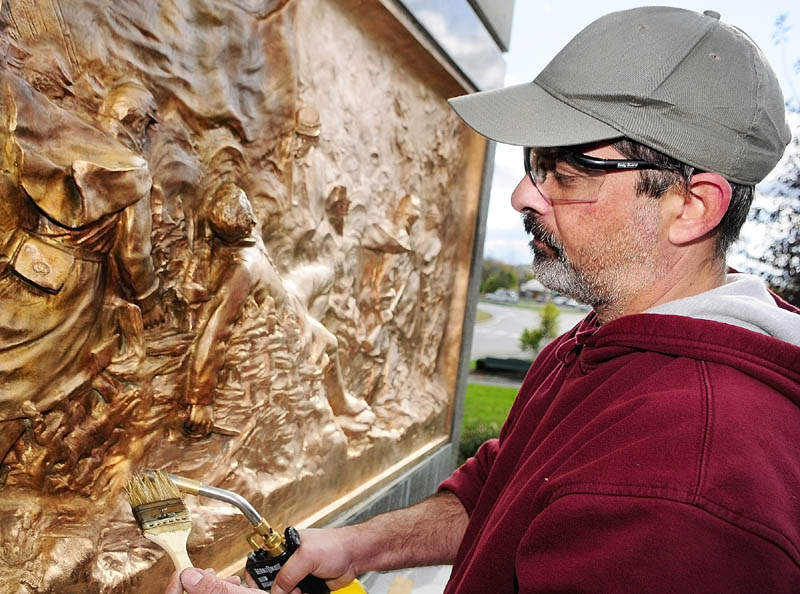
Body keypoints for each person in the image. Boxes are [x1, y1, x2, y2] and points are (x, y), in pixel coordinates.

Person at [163, 7, 800, 593]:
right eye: (532, 162)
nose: (523, 194)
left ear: (691, 206)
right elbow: (498, 494)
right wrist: (357, 545)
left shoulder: (689, 488)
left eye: (567, 171)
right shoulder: (598, 342)